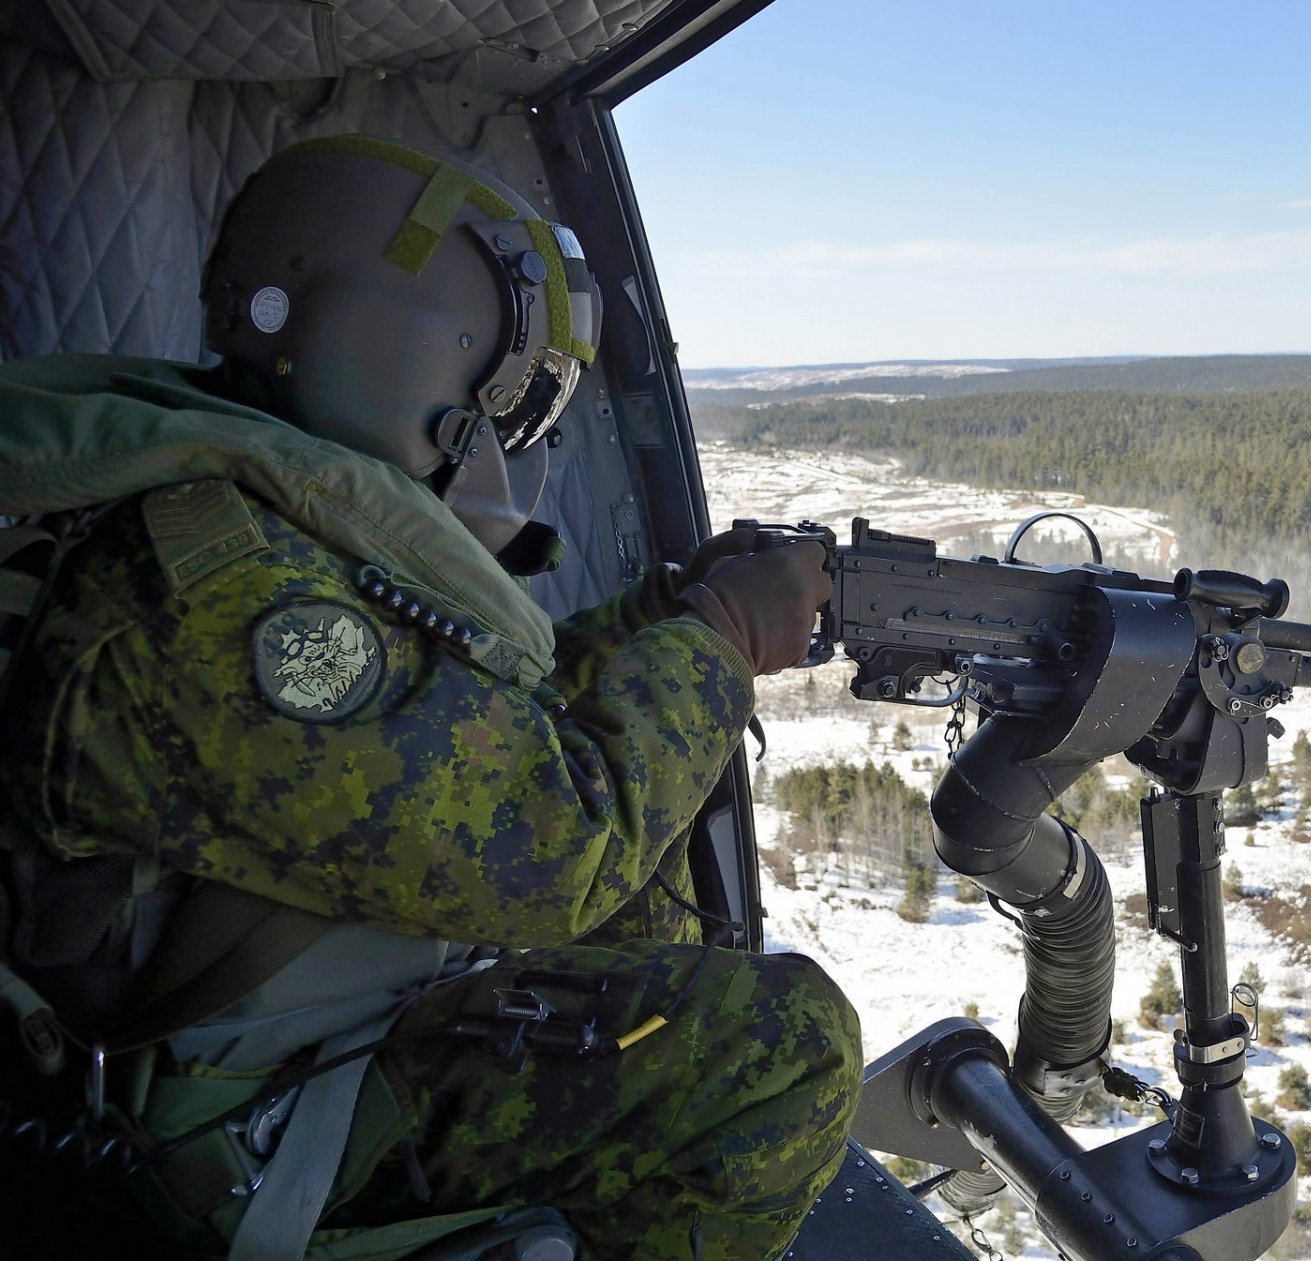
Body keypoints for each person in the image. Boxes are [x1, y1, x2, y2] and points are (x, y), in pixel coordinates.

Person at [0, 134, 858, 1261]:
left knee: (646, 927)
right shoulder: (218, 593)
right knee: (790, 1045)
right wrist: (722, 637)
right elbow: (553, 846)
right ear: (398, 343)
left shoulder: (254, 504)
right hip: (224, 1126)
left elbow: (452, 735)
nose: (511, 425)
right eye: (505, 380)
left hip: (295, 1024)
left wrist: (661, 613)